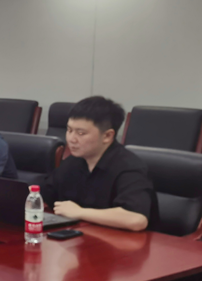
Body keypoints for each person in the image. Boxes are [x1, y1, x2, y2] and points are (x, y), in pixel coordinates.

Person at [41, 96, 157, 232]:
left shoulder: (129, 167)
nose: (71, 139)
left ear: (107, 136)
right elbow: (45, 194)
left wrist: (80, 212)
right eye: (69, 130)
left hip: (125, 241)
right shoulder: (74, 162)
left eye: (81, 133)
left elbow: (136, 219)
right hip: (85, 235)